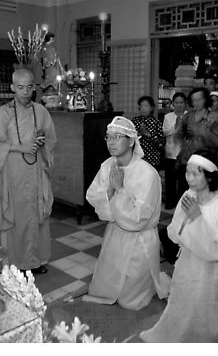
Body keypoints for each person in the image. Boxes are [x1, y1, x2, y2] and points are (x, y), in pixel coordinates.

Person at [140, 150, 218, 342]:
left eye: (196, 174)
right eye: (188, 172)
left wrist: (196, 218)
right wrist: (187, 221)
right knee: (187, 304)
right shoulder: (189, 195)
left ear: (210, 177)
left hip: (214, 271)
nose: (189, 178)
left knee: (208, 309)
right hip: (190, 262)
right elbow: (175, 231)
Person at [83, 116, 170, 310]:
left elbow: (137, 219)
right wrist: (111, 192)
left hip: (139, 240)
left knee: (129, 302)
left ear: (131, 141)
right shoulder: (108, 165)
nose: (111, 142)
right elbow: (94, 195)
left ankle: (149, 280)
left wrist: (119, 189)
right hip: (115, 234)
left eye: (117, 137)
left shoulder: (147, 173)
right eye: (108, 137)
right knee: (105, 290)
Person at [0, 68, 56, 275]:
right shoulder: (4, 112)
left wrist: (42, 142)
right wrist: (19, 147)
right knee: (16, 218)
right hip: (13, 173)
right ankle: (15, 263)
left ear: (34, 87)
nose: (25, 92)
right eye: (20, 87)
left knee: (37, 215)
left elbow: (51, 139)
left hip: (35, 172)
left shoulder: (41, 111)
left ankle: (37, 260)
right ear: (13, 88)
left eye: (29, 87)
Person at [176, 87, 218, 199]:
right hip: (186, 159)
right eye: (194, 100)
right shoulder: (187, 116)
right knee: (184, 191)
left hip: (204, 160)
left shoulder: (214, 117)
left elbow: (217, 141)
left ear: (206, 99)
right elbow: (179, 136)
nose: (196, 102)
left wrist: (202, 133)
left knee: (201, 192)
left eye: (199, 99)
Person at [162, 92, 187, 209]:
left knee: (183, 180)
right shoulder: (168, 117)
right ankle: (170, 202)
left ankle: (182, 204)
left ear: (185, 104)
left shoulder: (189, 116)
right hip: (171, 151)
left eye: (181, 102)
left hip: (184, 152)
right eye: (176, 102)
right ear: (173, 104)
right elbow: (165, 132)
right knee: (170, 179)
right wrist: (176, 128)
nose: (179, 105)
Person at [132, 96, 163, 170]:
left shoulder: (156, 122)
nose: (143, 108)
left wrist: (147, 135)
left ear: (151, 108)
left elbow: (161, 141)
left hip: (152, 157)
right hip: (137, 156)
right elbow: (129, 137)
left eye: (146, 106)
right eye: (141, 106)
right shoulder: (135, 121)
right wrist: (138, 134)